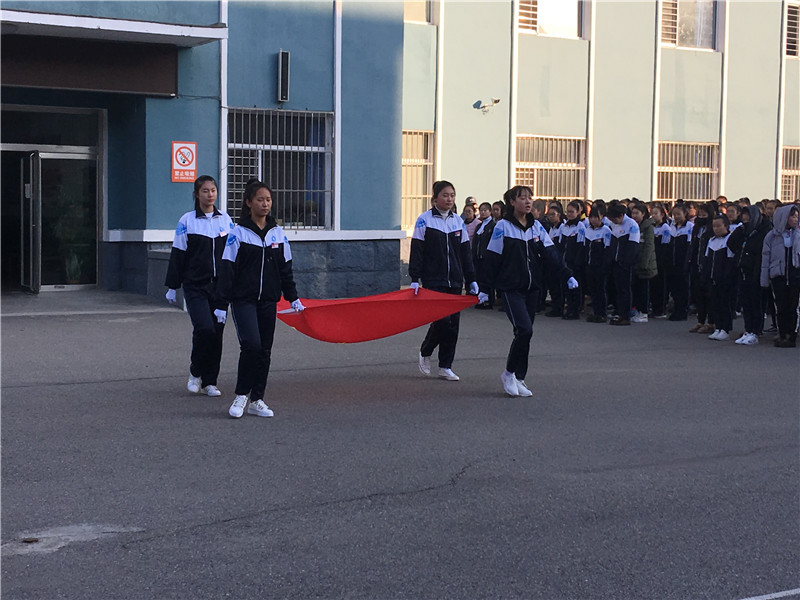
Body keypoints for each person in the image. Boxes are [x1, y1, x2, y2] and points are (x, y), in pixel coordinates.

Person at [217, 178, 305, 418]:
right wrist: (221, 305)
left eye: (268, 200)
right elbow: (227, 270)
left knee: (265, 350)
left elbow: (285, 269)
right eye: (260, 200)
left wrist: (293, 297)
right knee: (251, 346)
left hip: (268, 301)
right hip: (243, 300)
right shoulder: (238, 234)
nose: (265, 204)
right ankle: (241, 396)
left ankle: (257, 400)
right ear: (248, 203)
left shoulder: (277, 234)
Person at [480, 185, 577, 397]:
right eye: (522, 198)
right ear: (512, 202)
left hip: (532, 288)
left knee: (525, 334)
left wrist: (567, 274)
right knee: (524, 330)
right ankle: (508, 373)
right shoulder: (503, 226)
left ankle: (519, 377)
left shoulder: (537, 227)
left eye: (529, 198)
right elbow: (492, 258)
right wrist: (485, 288)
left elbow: (551, 254)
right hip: (510, 287)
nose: (527, 201)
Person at [164, 175, 234, 397]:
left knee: (217, 333)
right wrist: (172, 285)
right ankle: (196, 372)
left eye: (213, 190)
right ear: (196, 194)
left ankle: (210, 381)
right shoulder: (187, 221)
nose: (210, 194)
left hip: (220, 287)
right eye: (205, 190)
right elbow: (178, 253)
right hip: (195, 285)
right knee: (204, 328)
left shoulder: (225, 220)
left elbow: (233, 253)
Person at [409, 180, 479, 381]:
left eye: (452, 195)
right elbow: (417, 250)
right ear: (435, 198)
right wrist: (415, 278)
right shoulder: (424, 220)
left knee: (453, 324)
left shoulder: (458, 221)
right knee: (442, 321)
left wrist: (471, 278)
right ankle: (426, 350)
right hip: (434, 279)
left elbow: (465, 253)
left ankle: (445, 366)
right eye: (445, 195)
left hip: (455, 280)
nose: (449, 199)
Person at [760, 204, 800, 347]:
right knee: (780, 307)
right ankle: (782, 334)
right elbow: (766, 258)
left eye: (797, 217)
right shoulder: (772, 236)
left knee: (793, 307)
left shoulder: (798, 235)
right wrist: (765, 279)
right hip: (778, 276)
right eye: (792, 216)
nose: (795, 219)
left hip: (795, 276)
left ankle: (791, 336)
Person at [734, 205, 771, 345]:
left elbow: (761, 255)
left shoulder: (763, 232)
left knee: (756, 304)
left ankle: (756, 331)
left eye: (747, 219)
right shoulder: (745, 232)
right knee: (746, 303)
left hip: (756, 272)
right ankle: (748, 329)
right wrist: (741, 229)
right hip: (743, 271)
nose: (745, 222)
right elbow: (732, 243)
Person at [702, 214, 736, 341]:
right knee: (714, 303)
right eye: (714, 226)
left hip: (724, 279)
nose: (716, 229)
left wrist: (726, 278)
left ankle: (725, 329)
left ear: (726, 226)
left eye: (718, 226)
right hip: (712, 278)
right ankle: (718, 327)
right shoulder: (711, 241)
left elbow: (730, 261)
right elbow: (707, 259)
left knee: (724, 304)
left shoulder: (729, 240)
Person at [607, 201, 641, 326]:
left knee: (625, 290)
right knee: (618, 289)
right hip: (615, 262)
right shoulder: (614, 225)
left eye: (614, 219)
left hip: (626, 263)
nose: (613, 221)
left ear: (621, 215)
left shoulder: (631, 225)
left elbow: (633, 247)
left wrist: (626, 262)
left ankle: (625, 315)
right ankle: (619, 312)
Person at [579, 201, 612, 323]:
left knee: (600, 289)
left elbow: (607, 250)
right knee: (593, 290)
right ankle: (596, 312)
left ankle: (602, 313)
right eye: (591, 217)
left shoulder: (606, 230)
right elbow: (584, 248)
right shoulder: (587, 230)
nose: (593, 220)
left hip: (600, 266)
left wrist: (605, 265)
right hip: (590, 265)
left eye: (596, 217)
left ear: (601, 217)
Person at [688, 202, 716, 334]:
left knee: (709, 295)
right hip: (696, 263)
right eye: (700, 214)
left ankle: (711, 322)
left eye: (704, 214)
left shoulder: (712, 228)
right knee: (698, 294)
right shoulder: (697, 228)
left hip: (707, 265)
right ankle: (700, 320)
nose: (701, 216)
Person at [558, 200, 586, 319]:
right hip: (565, 262)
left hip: (575, 262)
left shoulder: (580, 226)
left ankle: (575, 311)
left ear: (578, 212)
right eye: (568, 211)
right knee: (566, 287)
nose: (569, 214)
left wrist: (577, 263)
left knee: (575, 287)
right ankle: (568, 308)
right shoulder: (563, 226)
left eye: (572, 212)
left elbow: (581, 246)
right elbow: (560, 244)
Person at [630, 202, 656, 323]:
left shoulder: (648, 227)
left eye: (637, 213)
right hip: (635, 261)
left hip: (645, 263)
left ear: (643, 214)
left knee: (643, 289)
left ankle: (644, 312)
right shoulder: (634, 226)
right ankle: (637, 310)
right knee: (636, 288)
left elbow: (649, 245)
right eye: (633, 213)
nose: (634, 215)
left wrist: (644, 263)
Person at [667, 204, 693, 321]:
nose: (676, 217)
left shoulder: (690, 227)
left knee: (683, 288)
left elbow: (689, 246)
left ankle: (683, 311)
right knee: (674, 288)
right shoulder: (672, 226)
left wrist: (686, 262)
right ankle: (676, 309)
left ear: (685, 213)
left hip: (682, 262)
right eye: (674, 214)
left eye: (678, 214)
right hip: (672, 262)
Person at [472, 202, 496, 309]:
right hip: (478, 257)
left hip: (488, 257)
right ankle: (481, 300)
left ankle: (488, 301)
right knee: (479, 278)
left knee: (487, 279)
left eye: (485, 210)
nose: (483, 212)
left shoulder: (493, 225)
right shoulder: (479, 226)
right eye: (481, 210)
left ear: (490, 212)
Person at [650, 203, 672, 318]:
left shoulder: (665, 228)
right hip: (652, 259)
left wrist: (661, 260)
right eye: (652, 213)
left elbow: (665, 246)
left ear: (662, 215)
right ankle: (654, 307)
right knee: (653, 285)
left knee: (661, 286)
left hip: (661, 259)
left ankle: (661, 309)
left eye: (656, 213)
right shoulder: (651, 227)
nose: (653, 216)